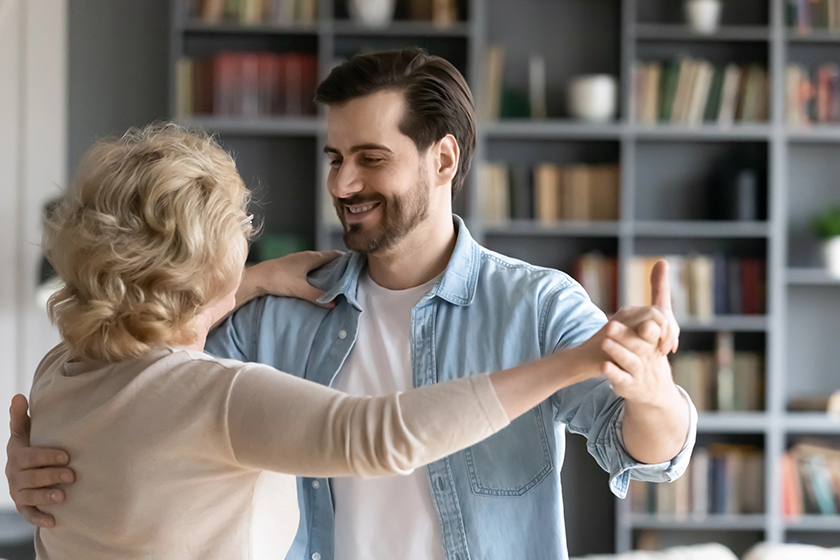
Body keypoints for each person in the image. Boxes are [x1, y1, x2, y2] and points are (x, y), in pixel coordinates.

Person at [8, 50, 696, 560]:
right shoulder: (282, 305)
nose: (342, 182)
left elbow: (646, 454)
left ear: (444, 159)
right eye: (334, 155)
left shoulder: (537, 304)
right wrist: (47, 455)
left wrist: (654, 394)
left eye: (370, 157)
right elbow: (134, 371)